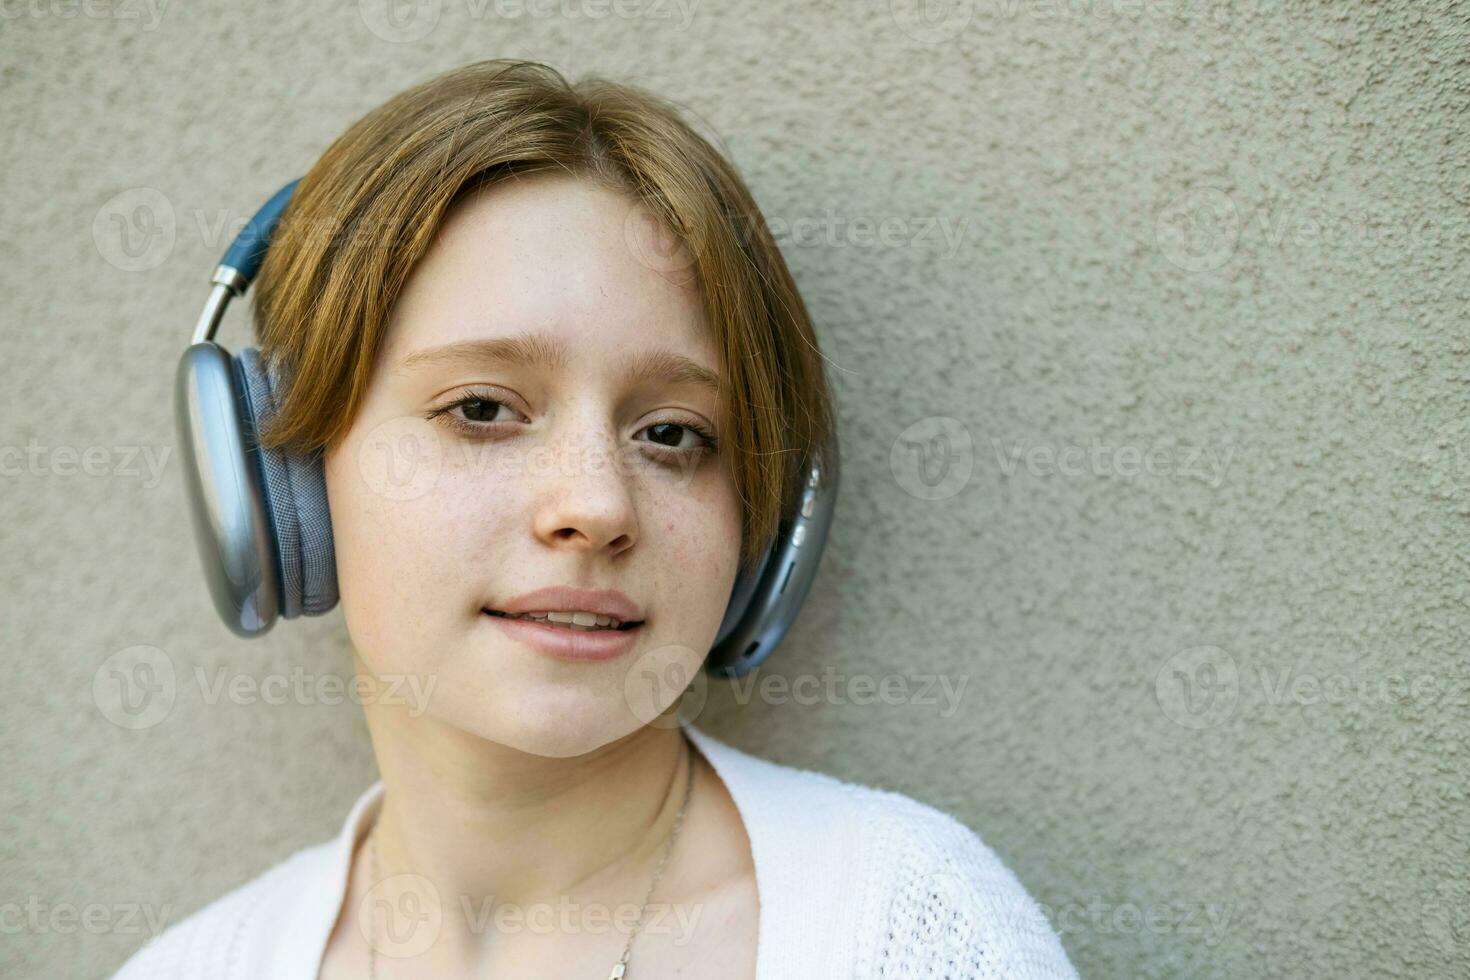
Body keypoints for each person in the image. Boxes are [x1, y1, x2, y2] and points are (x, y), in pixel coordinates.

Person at [113, 59, 1078, 979]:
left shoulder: (909, 928)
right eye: (481, 409)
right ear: (283, 480)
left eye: (672, 433)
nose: (597, 507)